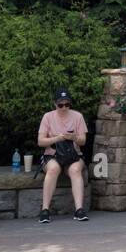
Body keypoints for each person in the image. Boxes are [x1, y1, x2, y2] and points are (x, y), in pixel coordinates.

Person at [37, 88, 88, 223]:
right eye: (60, 105)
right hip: (53, 155)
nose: (64, 108)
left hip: (73, 155)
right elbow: (40, 141)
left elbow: (83, 141)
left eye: (67, 104)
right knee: (53, 169)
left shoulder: (78, 116)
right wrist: (57, 138)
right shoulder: (47, 117)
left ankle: (79, 210)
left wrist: (74, 137)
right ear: (55, 104)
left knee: (75, 170)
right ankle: (45, 210)